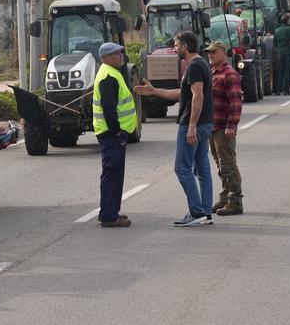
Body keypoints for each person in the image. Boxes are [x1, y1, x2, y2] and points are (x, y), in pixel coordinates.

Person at [135, 31, 214, 227]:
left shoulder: (195, 66)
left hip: (193, 124)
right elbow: (182, 93)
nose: (174, 48)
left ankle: (196, 212)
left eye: (177, 45)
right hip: (204, 123)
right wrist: (154, 91)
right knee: (202, 168)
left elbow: (198, 97)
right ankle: (205, 211)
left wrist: (192, 126)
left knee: (182, 168)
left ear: (186, 46)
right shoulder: (200, 63)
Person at [92, 42, 138, 227]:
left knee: (115, 173)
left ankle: (111, 212)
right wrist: (117, 130)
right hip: (112, 134)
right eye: (117, 54)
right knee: (112, 173)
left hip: (112, 133)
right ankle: (109, 215)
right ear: (108, 58)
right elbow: (108, 108)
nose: (121, 56)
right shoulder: (109, 76)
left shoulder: (110, 73)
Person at [205, 41, 244, 216]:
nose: (210, 55)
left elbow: (236, 102)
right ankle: (225, 197)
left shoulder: (229, 74)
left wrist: (232, 126)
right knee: (220, 164)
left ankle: (235, 202)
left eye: (214, 52)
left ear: (223, 53)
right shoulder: (213, 73)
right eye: (209, 53)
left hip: (223, 127)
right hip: (213, 127)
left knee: (228, 165)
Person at [273, 13, 290, 95]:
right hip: (289, 51)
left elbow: (275, 42)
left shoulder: (277, 30)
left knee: (280, 71)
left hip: (280, 52)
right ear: (288, 20)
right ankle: (286, 90)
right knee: (288, 71)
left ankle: (278, 90)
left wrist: (279, 47)